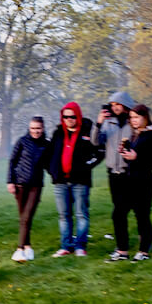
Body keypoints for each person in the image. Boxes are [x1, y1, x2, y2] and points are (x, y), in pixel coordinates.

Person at [109, 104, 152, 262]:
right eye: (131, 117)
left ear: (145, 117)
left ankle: (143, 252)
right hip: (129, 181)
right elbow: (133, 155)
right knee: (118, 214)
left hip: (144, 181)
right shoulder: (135, 135)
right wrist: (125, 152)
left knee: (142, 216)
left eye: (136, 117)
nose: (133, 120)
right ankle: (122, 251)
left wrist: (137, 157)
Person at [47, 102, 101, 257]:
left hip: (80, 181)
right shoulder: (58, 133)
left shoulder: (87, 132)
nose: (69, 119)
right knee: (64, 215)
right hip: (61, 182)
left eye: (72, 116)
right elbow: (49, 154)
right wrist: (52, 171)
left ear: (78, 116)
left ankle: (80, 246)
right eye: (65, 116)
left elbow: (98, 152)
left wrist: (86, 166)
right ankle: (66, 246)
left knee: (81, 214)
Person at [6, 117, 51, 261]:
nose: (35, 131)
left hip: (36, 186)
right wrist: (10, 182)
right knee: (24, 218)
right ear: (29, 128)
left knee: (26, 217)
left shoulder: (46, 144)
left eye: (38, 128)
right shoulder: (22, 142)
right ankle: (28, 246)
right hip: (20, 184)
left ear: (43, 128)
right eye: (33, 128)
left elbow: (49, 164)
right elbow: (12, 161)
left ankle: (19, 249)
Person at [96, 91, 136, 240]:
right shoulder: (108, 123)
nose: (115, 107)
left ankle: (131, 242)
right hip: (113, 173)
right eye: (112, 105)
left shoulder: (133, 122)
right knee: (118, 209)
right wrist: (99, 123)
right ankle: (121, 240)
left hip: (130, 172)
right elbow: (95, 142)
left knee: (125, 209)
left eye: (118, 104)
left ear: (125, 105)